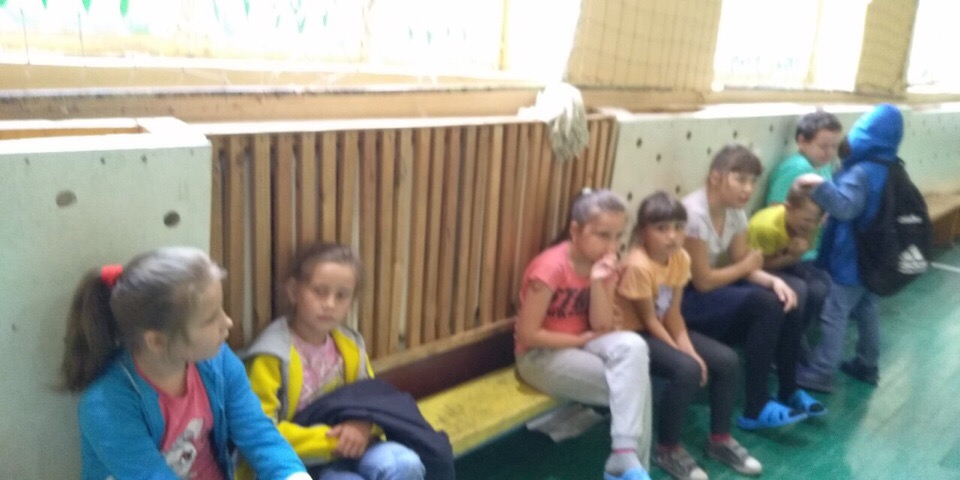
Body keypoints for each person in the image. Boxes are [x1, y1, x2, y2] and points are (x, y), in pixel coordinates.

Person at [60, 246, 310, 480]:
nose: (228, 322)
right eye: (211, 319)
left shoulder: (218, 360)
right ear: (157, 341)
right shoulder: (105, 403)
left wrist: (293, 474)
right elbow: (150, 475)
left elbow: (257, 432)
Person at [243, 242, 451, 480]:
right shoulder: (271, 355)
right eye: (319, 291)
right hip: (300, 460)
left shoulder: (350, 346)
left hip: (355, 445)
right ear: (293, 291)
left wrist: (363, 425)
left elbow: (375, 402)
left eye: (341, 296)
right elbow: (260, 429)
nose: (330, 304)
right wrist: (332, 441)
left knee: (406, 463)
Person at [615, 191, 762, 480]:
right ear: (643, 232)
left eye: (679, 227)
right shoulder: (637, 264)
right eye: (661, 228)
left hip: (660, 326)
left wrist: (691, 350)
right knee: (687, 370)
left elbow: (673, 315)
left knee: (727, 361)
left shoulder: (680, 257)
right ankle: (667, 449)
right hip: (632, 334)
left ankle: (719, 440)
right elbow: (648, 320)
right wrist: (686, 356)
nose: (672, 236)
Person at [680, 144, 826, 431]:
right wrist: (748, 268)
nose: (748, 189)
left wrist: (774, 281)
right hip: (684, 300)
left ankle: (789, 389)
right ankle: (755, 407)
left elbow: (744, 263)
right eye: (740, 179)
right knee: (766, 304)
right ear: (715, 177)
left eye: (752, 182)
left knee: (786, 298)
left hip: (710, 290)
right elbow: (703, 281)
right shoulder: (694, 214)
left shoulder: (735, 212)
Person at [515, 189, 653, 480]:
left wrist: (600, 283)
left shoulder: (603, 264)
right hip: (540, 356)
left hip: (584, 345)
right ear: (575, 230)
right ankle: (629, 464)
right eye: (603, 235)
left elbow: (601, 325)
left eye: (618, 236)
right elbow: (528, 334)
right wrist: (579, 340)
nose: (612, 246)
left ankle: (624, 456)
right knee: (635, 387)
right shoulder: (550, 268)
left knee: (634, 346)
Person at [794, 103, 904, 393]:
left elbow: (845, 208)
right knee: (867, 307)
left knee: (835, 311)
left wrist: (818, 185)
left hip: (852, 258)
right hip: (876, 256)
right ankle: (867, 364)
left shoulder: (861, 172)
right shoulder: (891, 168)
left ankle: (821, 372)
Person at [749, 182, 833, 361]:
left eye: (816, 221)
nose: (812, 226)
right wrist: (792, 257)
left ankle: (795, 335)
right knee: (799, 290)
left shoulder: (810, 224)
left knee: (821, 288)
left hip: (786, 261)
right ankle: (780, 346)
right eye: (807, 220)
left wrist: (794, 255)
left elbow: (804, 248)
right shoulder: (767, 228)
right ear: (788, 208)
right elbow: (757, 268)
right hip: (758, 270)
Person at [765, 109, 844, 261]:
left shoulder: (824, 166)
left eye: (834, 147)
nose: (829, 152)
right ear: (802, 141)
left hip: (815, 248)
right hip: (796, 253)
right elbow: (776, 209)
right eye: (823, 146)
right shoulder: (797, 169)